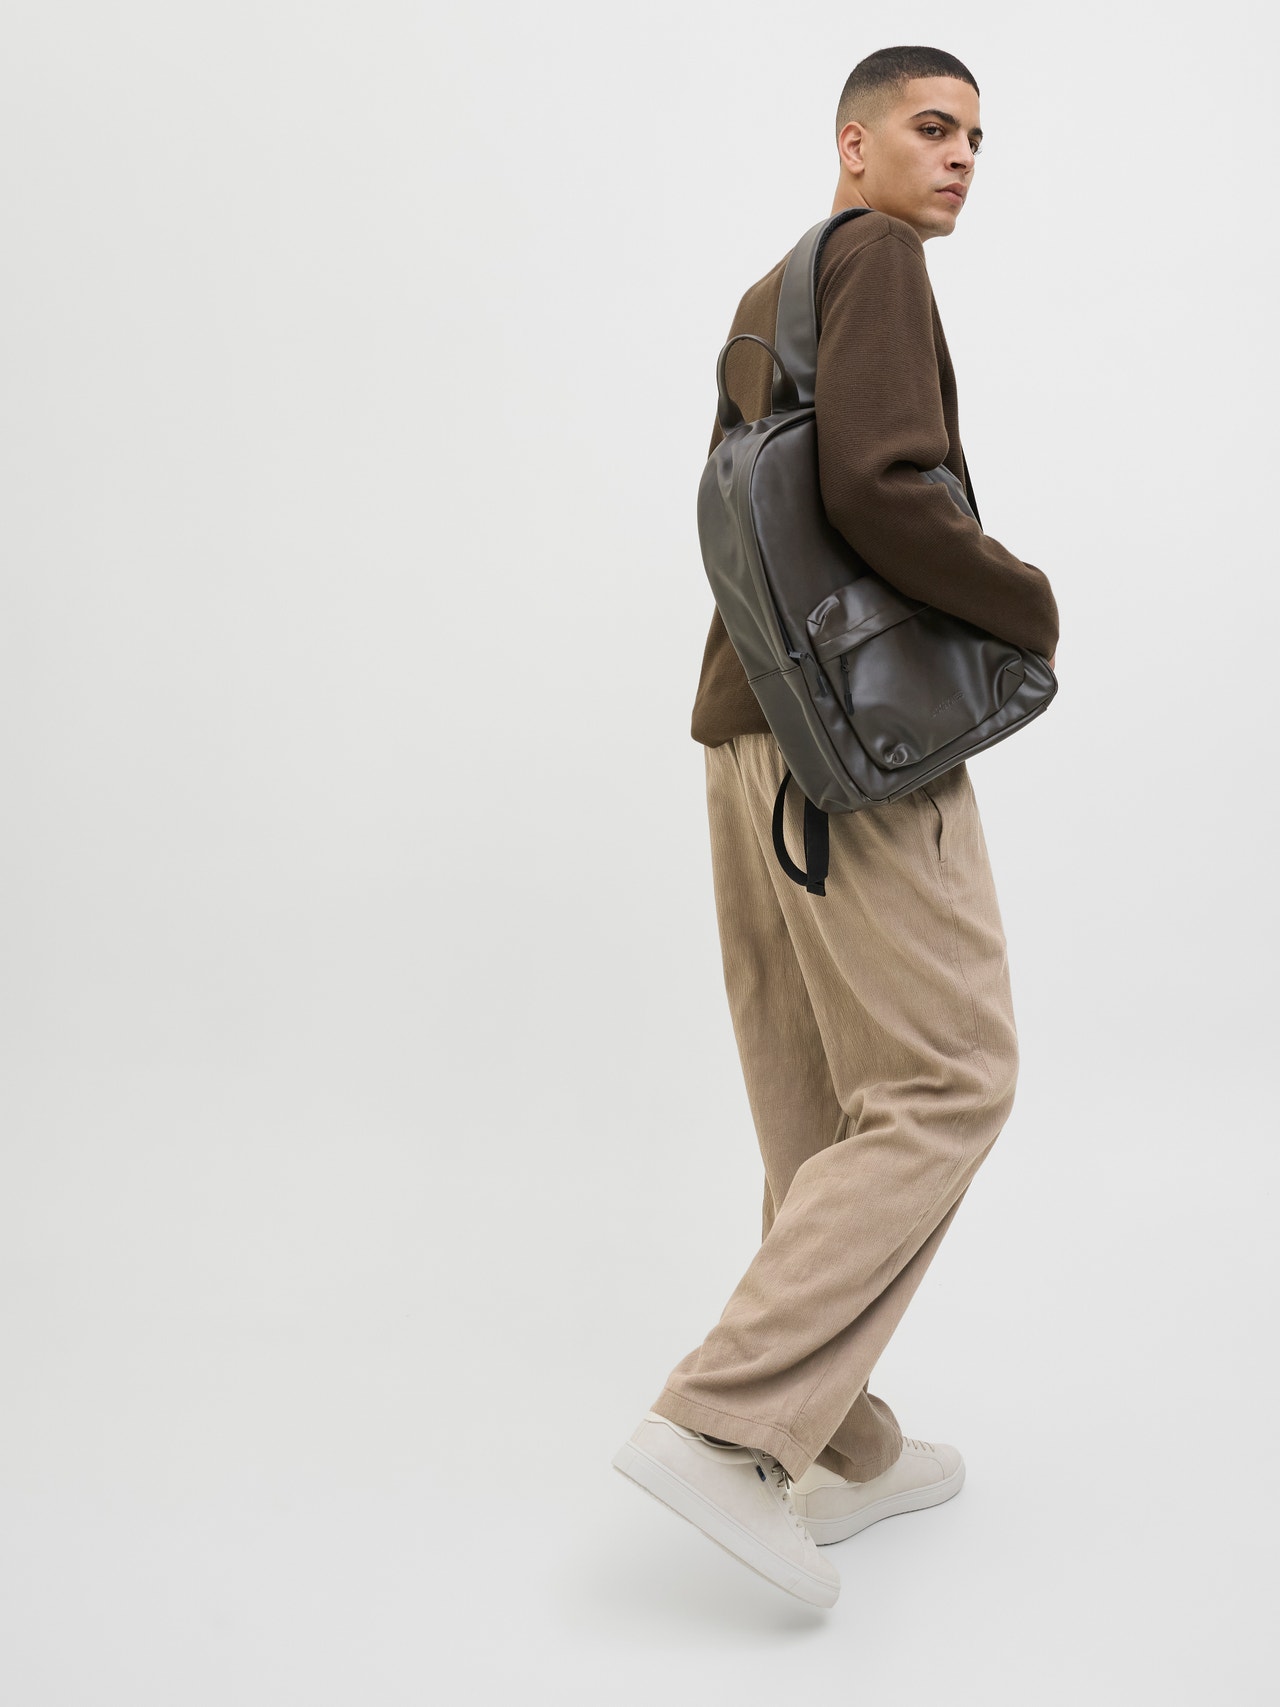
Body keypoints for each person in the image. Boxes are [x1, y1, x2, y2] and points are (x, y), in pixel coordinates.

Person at [611, 45, 1061, 1611]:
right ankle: (725, 1427)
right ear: (854, 144)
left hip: (747, 738)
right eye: (933, 127)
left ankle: (839, 1444)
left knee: (820, 1117)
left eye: (977, 137)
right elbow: (876, 489)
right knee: (950, 1079)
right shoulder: (876, 259)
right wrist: (1026, 602)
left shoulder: (774, 291)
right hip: (855, 756)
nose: (961, 157)